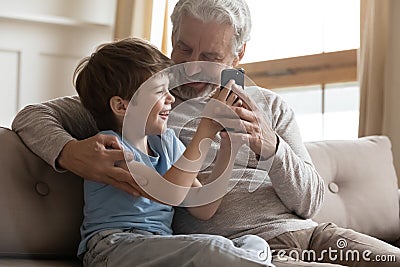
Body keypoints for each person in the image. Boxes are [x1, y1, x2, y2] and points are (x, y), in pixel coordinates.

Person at [12, 0, 400, 266]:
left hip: (315, 236)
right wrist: (68, 152)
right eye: (183, 50)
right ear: (171, 42)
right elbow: (32, 116)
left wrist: (272, 148)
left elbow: (312, 203)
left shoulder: (271, 107)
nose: (194, 67)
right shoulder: (145, 101)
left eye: (211, 57)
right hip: (251, 251)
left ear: (238, 55)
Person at [73, 37, 273, 266]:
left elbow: (203, 207)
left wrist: (229, 143)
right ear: (122, 106)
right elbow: (168, 192)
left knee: (254, 243)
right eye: (159, 91)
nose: (170, 98)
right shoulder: (108, 149)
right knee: (212, 248)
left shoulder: (165, 142)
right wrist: (205, 128)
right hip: (113, 247)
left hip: (161, 244)